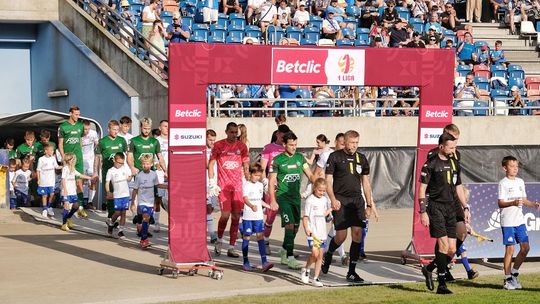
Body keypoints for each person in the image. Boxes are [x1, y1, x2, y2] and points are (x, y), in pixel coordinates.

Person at [423, 124, 477, 283]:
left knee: (462, 232)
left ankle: (434, 267)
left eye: (457, 140)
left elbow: (457, 180)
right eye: (453, 139)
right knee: (443, 241)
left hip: (454, 201)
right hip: (439, 202)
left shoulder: (456, 154)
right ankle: (442, 270)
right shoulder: (433, 155)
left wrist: (464, 204)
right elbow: (430, 180)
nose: (455, 144)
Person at [322, 130, 377, 282]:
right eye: (352, 142)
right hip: (340, 200)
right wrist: (332, 198)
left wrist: (369, 204)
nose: (354, 146)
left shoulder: (362, 158)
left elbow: (365, 182)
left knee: (358, 234)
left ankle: (351, 271)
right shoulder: (335, 157)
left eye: (357, 143)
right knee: (341, 236)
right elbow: (328, 180)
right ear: (344, 142)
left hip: (357, 201)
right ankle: (328, 254)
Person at [418, 133, 462, 294]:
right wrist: (423, 212)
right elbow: (422, 189)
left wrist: (465, 207)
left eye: (455, 147)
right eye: (451, 147)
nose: (453, 150)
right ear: (441, 147)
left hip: (451, 208)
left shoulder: (455, 163)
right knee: (443, 246)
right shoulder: (430, 164)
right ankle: (441, 285)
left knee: (452, 249)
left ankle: (429, 268)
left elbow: (458, 186)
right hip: (435, 208)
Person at [269, 131, 314, 270]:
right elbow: (271, 182)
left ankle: (283, 250)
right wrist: (273, 200)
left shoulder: (300, 158)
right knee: (289, 225)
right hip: (283, 198)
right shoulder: (277, 161)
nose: (294, 147)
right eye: (291, 145)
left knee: (295, 228)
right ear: (284, 145)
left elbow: (310, 175)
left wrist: (320, 187)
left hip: (296, 198)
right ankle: (290, 257)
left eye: (295, 144)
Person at [208, 122, 250, 257]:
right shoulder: (219, 145)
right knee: (225, 215)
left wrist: (249, 181)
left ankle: (231, 247)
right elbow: (211, 163)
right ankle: (219, 240)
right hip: (223, 186)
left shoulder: (242, 146)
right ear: (226, 132)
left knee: (236, 217)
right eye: (231, 132)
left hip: (237, 187)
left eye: (235, 132)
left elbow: (246, 164)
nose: (234, 135)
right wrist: (211, 182)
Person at [498, 155, 540, 290]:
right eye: (512, 166)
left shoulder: (520, 182)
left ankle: (514, 274)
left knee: (525, 248)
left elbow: (524, 200)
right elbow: (500, 203)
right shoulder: (503, 183)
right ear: (504, 168)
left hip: (519, 221)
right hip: (508, 221)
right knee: (510, 249)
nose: (515, 169)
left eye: (517, 166)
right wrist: (513, 202)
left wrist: (533, 204)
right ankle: (507, 279)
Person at [128, 117, 166, 231]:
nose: (147, 131)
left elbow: (160, 157)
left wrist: (166, 170)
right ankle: (140, 220)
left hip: (151, 173)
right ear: (140, 127)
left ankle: (146, 225)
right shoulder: (134, 141)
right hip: (139, 173)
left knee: (152, 199)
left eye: (149, 128)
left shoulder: (154, 141)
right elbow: (129, 156)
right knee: (141, 199)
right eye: (144, 128)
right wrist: (132, 167)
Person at [261, 124, 290, 254]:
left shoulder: (289, 148)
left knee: (289, 219)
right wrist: (264, 182)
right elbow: (262, 167)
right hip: (273, 186)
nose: (283, 138)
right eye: (281, 135)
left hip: (287, 187)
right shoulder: (268, 148)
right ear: (277, 134)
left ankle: (287, 247)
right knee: (271, 217)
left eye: (286, 136)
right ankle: (265, 241)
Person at [241, 163, 274, 272]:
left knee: (260, 237)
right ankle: (245, 262)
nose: (257, 177)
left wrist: (268, 206)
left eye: (259, 176)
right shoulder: (246, 185)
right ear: (250, 174)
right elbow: (245, 199)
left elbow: (259, 200)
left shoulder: (260, 185)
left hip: (258, 217)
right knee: (247, 237)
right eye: (255, 175)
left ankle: (264, 262)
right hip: (248, 216)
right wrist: (251, 206)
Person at [301, 178, 332, 287]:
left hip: (322, 232)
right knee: (314, 253)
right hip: (312, 232)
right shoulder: (310, 200)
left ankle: (316, 278)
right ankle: (306, 269)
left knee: (320, 256)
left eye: (324, 191)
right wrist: (307, 229)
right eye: (320, 190)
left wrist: (332, 209)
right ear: (315, 188)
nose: (322, 193)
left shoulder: (324, 200)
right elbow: (305, 217)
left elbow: (323, 214)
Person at [58, 105, 86, 216]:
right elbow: (60, 144)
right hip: (68, 159)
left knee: (79, 182)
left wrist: (80, 153)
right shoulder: (63, 127)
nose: (78, 116)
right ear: (70, 113)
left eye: (79, 114)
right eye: (76, 114)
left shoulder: (80, 125)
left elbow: (80, 141)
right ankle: (66, 206)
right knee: (68, 182)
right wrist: (64, 157)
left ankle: (80, 207)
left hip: (78, 158)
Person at [130, 155, 160, 248]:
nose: (145, 166)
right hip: (142, 201)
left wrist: (168, 186)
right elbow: (135, 189)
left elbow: (157, 186)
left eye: (147, 164)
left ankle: (140, 223)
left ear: (151, 164)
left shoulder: (154, 174)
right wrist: (132, 203)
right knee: (146, 217)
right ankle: (143, 239)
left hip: (150, 201)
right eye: (143, 164)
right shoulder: (139, 176)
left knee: (148, 220)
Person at [60, 153, 94, 231]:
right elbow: (63, 180)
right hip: (66, 192)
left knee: (76, 206)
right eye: (74, 159)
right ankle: (64, 224)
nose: (75, 160)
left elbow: (79, 175)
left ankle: (68, 218)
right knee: (66, 207)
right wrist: (65, 191)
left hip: (73, 192)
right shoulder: (65, 168)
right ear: (70, 160)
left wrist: (90, 178)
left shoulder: (73, 169)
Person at [105, 152, 133, 238]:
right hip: (117, 195)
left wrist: (131, 176)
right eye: (119, 163)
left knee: (123, 213)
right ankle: (111, 223)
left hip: (125, 194)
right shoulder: (111, 171)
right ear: (114, 160)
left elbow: (128, 179)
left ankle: (121, 231)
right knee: (117, 213)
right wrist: (108, 192)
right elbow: (107, 183)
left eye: (122, 163)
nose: (121, 165)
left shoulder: (124, 168)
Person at [37, 144, 62, 217]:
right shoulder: (41, 159)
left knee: (52, 194)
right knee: (44, 195)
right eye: (51, 150)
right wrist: (38, 179)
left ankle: (49, 207)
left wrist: (64, 166)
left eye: (53, 150)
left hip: (51, 181)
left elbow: (57, 167)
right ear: (46, 151)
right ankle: (44, 209)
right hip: (43, 181)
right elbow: (38, 170)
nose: (52, 151)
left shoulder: (53, 158)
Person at [82, 120, 99, 209]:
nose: (86, 131)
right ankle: (82, 201)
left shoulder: (93, 133)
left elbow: (97, 144)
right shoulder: (78, 134)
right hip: (81, 159)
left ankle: (90, 202)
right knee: (82, 180)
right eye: (85, 129)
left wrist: (98, 155)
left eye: (88, 129)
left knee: (93, 180)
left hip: (91, 159)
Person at [206, 129, 218, 243]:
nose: (212, 142)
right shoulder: (203, 150)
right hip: (205, 183)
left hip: (215, 183)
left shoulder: (216, 150)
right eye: (210, 140)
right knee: (208, 208)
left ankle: (208, 227)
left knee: (212, 208)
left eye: (214, 140)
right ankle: (212, 234)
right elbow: (207, 165)